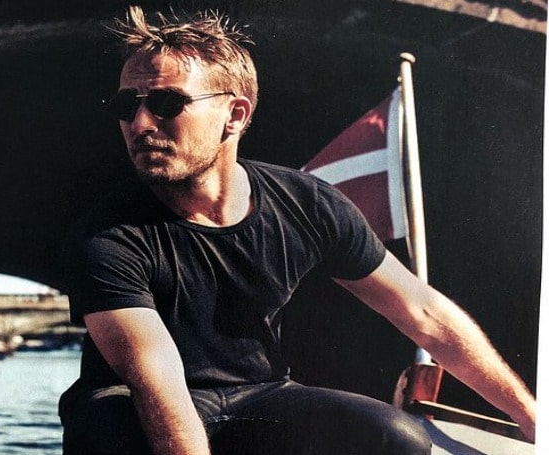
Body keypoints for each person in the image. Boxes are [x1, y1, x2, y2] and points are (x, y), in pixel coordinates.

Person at [58, 6, 536, 454]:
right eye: (127, 105)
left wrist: (532, 419)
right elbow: (154, 375)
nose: (141, 123)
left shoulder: (306, 202)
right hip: (135, 400)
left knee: (398, 437)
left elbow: (423, 312)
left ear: (236, 115)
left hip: (257, 397)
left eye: (166, 102)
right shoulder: (107, 233)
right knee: (116, 428)